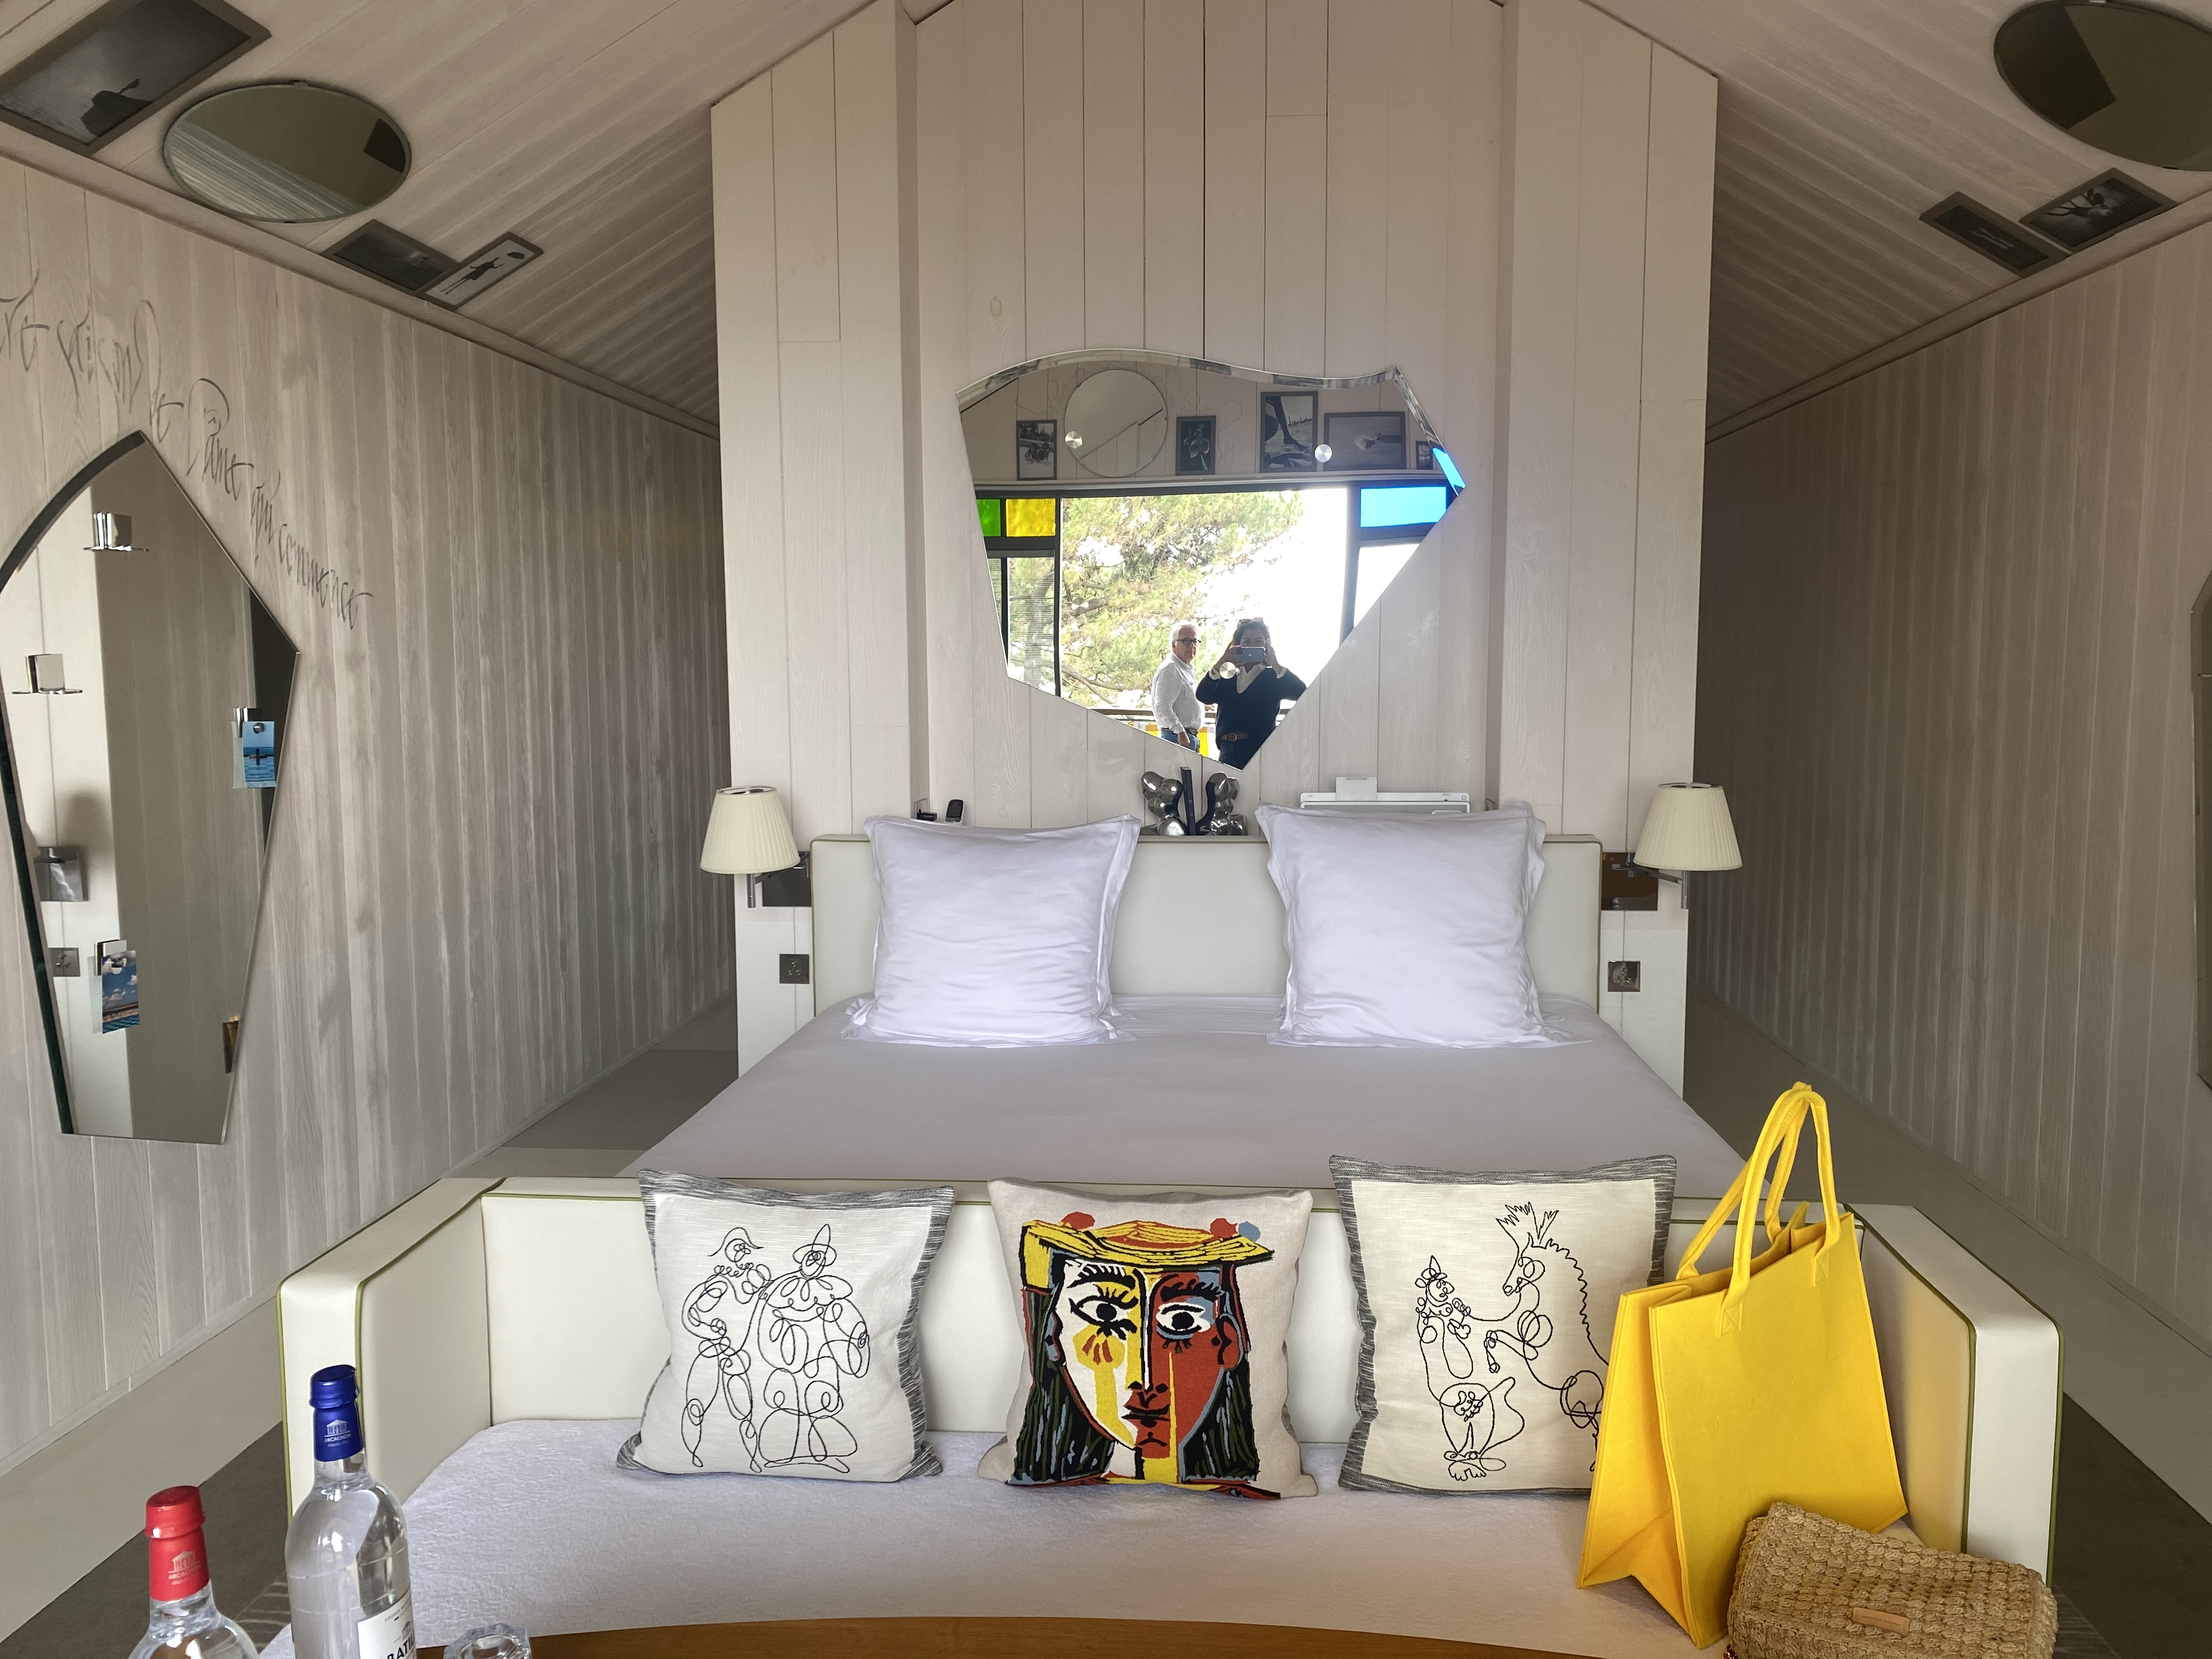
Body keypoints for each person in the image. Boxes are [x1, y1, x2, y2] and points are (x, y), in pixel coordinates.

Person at [1197, 618, 1306, 769]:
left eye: (1258, 642)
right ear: (1237, 645)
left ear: (1267, 645)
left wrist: (1275, 664)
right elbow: (1203, 695)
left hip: (1259, 749)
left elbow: (1301, 693)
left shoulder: (1273, 677)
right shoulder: (1228, 675)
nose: (1252, 646)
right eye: (1247, 642)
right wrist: (1220, 663)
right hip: (1227, 749)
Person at [1150, 623, 1205, 748]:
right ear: (1174, 645)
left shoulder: (1183, 668)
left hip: (1186, 736)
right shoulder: (1171, 668)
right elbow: (1162, 707)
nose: (1192, 645)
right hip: (1177, 737)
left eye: (1195, 641)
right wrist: (1180, 731)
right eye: (1186, 641)